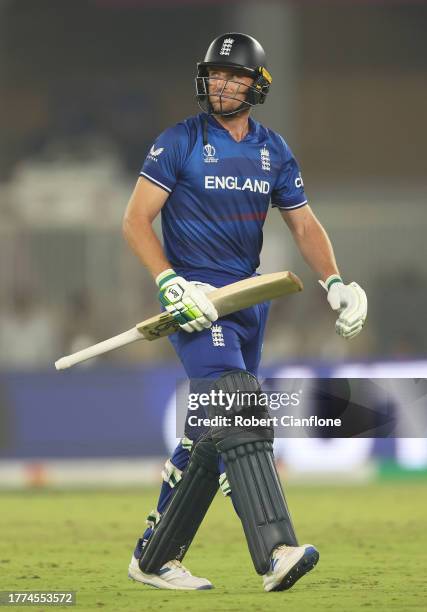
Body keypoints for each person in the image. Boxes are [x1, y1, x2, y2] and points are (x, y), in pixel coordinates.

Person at [123, 32, 367, 592]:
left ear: (257, 87)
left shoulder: (273, 150)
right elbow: (136, 222)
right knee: (240, 405)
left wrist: (334, 282)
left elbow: (303, 224)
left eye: (235, 77)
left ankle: (153, 558)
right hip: (195, 306)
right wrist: (170, 283)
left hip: (248, 306)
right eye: (215, 74)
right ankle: (276, 550)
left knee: (212, 433)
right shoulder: (178, 141)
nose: (222, 85)